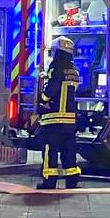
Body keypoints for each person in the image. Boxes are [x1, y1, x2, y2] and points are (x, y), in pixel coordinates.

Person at [35, 35, 81, 189]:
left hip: (54, 118)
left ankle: (49, 181)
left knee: (50, 150)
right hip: (70, 118)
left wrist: (43, 97)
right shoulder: (74, 70)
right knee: (69, 150)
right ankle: (72, 180)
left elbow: (52, 88)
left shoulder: (56, 68)